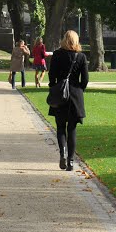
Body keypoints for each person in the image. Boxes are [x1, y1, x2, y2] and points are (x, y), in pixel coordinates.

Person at [48, 29, 89, 171]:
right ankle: (71, 160)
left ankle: (63, 153)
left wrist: (54, 87)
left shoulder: (58, 55)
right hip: (75, 96)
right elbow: (85, 79)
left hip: (60, 94)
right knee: (72, 128)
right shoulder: (81, 57)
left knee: (60, 127)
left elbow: (51, 75)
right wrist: (79, 90)